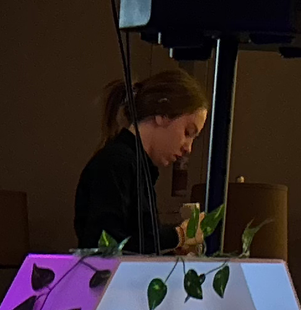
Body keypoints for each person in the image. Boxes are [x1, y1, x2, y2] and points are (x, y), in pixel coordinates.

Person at [73, 69, 208, 255]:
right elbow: (107, 245)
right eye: (187, 132)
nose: (188, 148)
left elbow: (137, 243)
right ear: (162, 114)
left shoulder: (134, 165)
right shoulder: (116, 162)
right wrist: (179, 236)